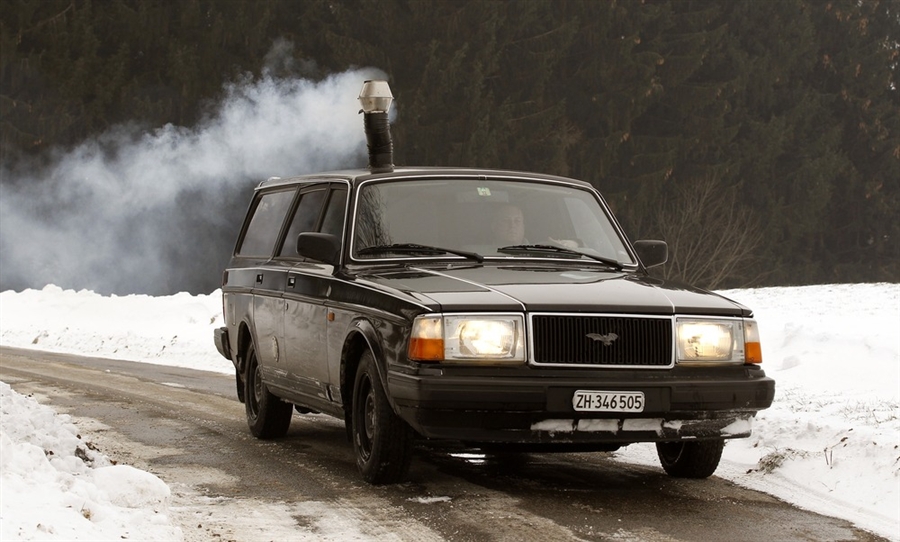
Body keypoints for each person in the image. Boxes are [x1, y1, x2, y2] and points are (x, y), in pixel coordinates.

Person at [490, 203, 579, 249]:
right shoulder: (482, 253)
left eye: (517, 221)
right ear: (494, 226)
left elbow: (585, 250)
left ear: (523, 226)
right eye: (506, 220)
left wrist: (576, 243)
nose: (512, 225)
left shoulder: (542, 251)